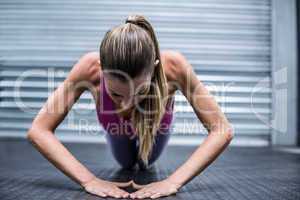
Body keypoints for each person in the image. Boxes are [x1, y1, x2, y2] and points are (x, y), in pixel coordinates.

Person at [27, 14, 234, 199]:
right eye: (116, 94)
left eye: (140, 92)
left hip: (156, 128)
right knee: (126, 163)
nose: (127, 104)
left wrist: (173, 182)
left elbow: (221, 130)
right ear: (101, 68)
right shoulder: (89, 68)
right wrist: (89, 181)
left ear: (154, 68)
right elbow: (38, 130)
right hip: (114, 128)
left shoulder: (174, 67)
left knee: (145, 164)